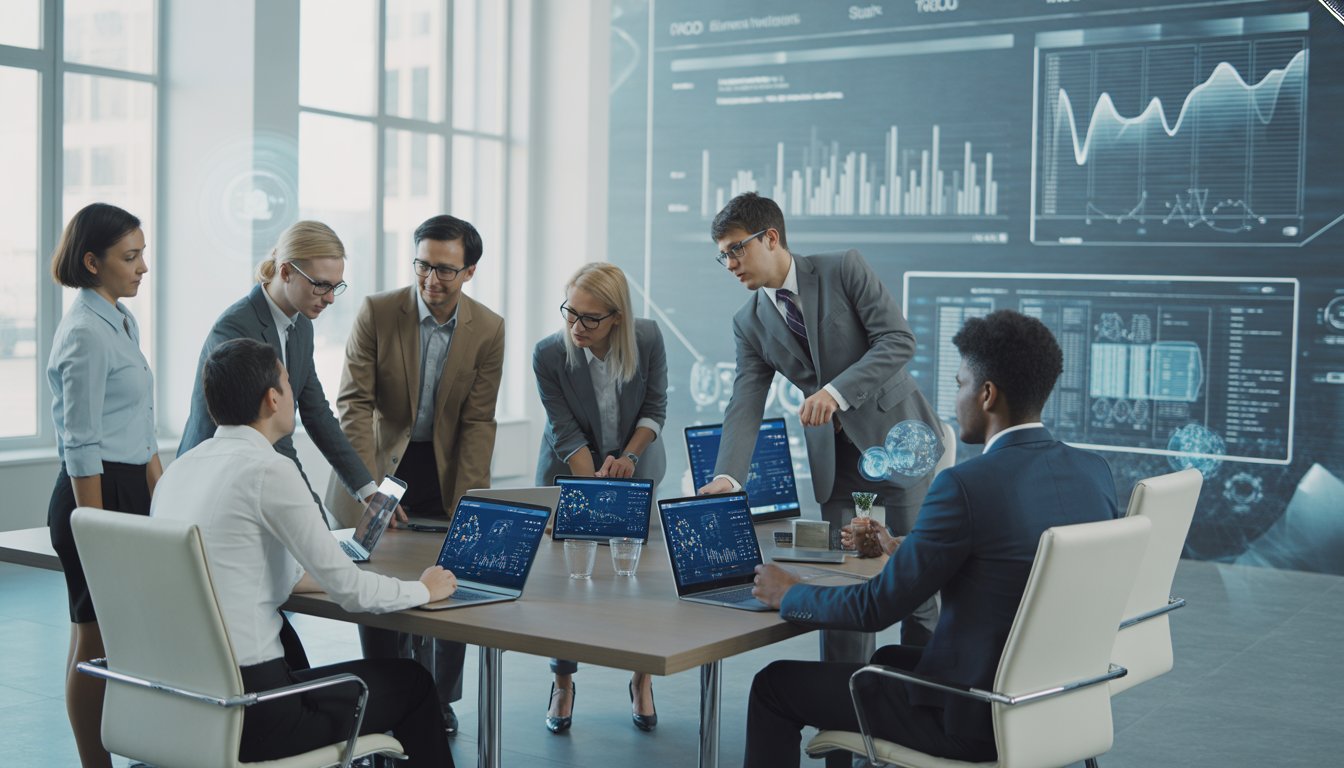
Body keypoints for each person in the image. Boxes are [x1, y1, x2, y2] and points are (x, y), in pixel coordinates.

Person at [743, 310, 1120, 768]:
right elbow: (1011, 564)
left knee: (774, 684)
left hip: (975, 716)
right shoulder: (1093, 473)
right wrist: (910, 549)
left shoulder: (966, 485)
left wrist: (790, 592)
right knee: (888, 658)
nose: (954, 397)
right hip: (1050, 701)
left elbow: (875, 608)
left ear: (986, 395)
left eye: (960, 384)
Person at [152, 338, 457, 766]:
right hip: (254, 713)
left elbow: (236, 569)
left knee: (292, 650)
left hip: (180, 703)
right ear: (272, 398)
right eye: (288, 383)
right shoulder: (269, 469)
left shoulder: (178, 471)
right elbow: (352, 592)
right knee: (414, 683)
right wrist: (424, 590)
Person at [696, 191, 941, 660]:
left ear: (771, 237)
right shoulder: (748, 322)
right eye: (722, 254)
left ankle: (925, 691)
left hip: (899, 441)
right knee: (840, 578)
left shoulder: (843, 268)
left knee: (918, 578)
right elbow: (745, 401)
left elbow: (897, 340)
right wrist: (728, 478)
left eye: (735, 249)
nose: (729, 263)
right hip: (836, 462)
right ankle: (841, 703)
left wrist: (836, 392)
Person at [330, 214, 505, 738]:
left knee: (451, 582)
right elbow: (353, 404)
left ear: (469, 271)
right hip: (381, 465)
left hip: (446, 466)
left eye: (445, 270)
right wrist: (365, 487)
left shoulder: (489, 329)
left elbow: (478, 422)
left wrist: (469, 502)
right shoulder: (378, 311)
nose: (431, 280)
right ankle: (387, 690)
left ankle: (436, 697)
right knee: (376, 583)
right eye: (423, 265)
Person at [46, 203, 162, 768]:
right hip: (95, 494)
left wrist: (160, 493)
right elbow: (81, 443)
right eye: (130, 257)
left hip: (128, 491)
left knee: (105, 638)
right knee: (94, 641)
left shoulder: (120, 319)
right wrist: (96, 529)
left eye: (143, 254)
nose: (143, 267)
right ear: (92, 262)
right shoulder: (86, 334)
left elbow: (138, 424)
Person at [532, 262, 668, 734]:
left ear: (617, 317)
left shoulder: (647, 339)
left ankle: (642, 678)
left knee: (637, 571)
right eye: (570, 312)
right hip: (571, 463)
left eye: (591, 318)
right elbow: (564, 430)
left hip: (637, 459)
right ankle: (563, 682)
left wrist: (628, 460)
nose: (577, 326)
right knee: (570, 576)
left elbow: (655, 408)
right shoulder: (549, 353)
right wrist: (595, 495)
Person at [181, 220, 380, 514]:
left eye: (335, 287)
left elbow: (316, 412)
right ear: (286, 271)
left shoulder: (301, 326)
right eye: (321, 285)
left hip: (252, 473)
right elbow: (265, 431)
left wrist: (367, 489)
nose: (329, 298)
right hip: (213, 483)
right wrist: (313, 516)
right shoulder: (235, 328)